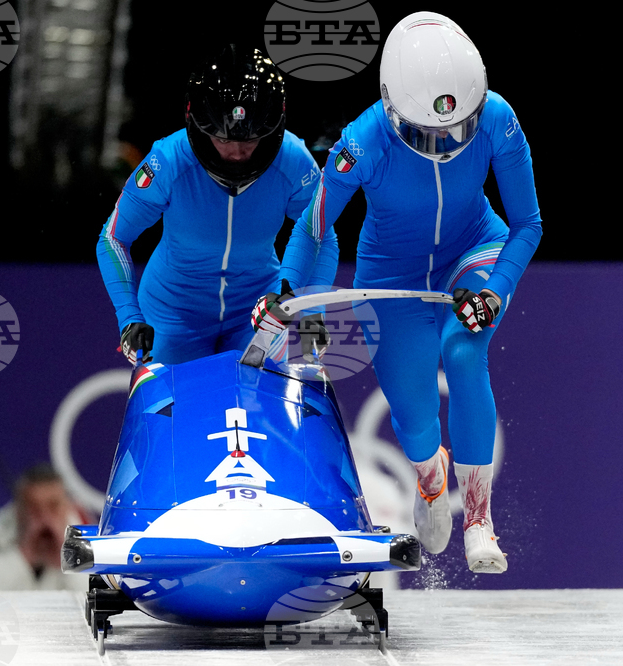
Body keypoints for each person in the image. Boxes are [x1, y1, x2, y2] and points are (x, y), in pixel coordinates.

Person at [253, 12, 543, 573]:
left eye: (460, 131)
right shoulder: (361, 144)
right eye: (426, 136)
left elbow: (527, 222)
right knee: (414, 419)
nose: (445, 146)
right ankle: (431, 479)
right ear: (390, 108)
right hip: (391, 274)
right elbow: (315, 225)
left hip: (474, 248)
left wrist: (497, 290)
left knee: (464, 350)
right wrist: (287, 289)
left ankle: (480, 519)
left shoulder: (500, 121)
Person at [97, 44, 336, 366]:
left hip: (258, 312)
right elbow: (113, 238)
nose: (237, 153)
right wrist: (129, 318)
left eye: (249, 140)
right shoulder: (167, 161)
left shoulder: (294, 160)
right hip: (172, 315)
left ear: (270, 129)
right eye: (223, 140)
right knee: (176, 414)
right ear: (200, 126)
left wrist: (312, 311)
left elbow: (321, 235)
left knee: (259, 412)